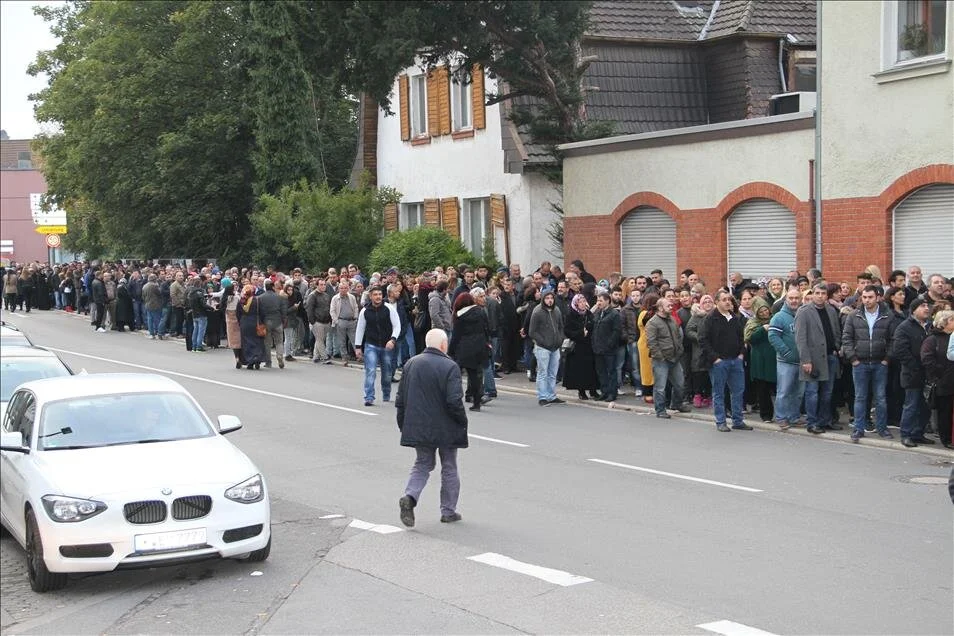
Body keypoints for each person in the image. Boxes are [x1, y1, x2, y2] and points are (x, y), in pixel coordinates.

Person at [396, 329, 468, 526]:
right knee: (449, 466)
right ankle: (448, 510)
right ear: (443, 345)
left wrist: (403, 424)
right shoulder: (450, 366)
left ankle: (410, 497)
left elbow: (401, 399)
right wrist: (462, 422)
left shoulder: (411, 363)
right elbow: (454, 401)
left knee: (422, 464)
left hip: (419, 425)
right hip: (445, 427)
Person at [842, 285, 895, 442]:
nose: (867, 300)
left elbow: (894, 339)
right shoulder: (853, 315)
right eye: (864, 297)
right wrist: (853, 359)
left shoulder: (887, 316)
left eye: (870, 297)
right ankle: (859, 429)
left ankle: (882, 428)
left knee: (880, 397)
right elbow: (847, 338)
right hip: (860, 363)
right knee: (860, 397)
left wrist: (887, 359)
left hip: (880, 363)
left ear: (877, 297)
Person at [795, 283, 843, 434]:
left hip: (830, 356)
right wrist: (806, 360)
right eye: (817, 293)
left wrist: (836, 348)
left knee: (828, 392)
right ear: (813, 294)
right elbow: (800, 338)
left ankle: (825, 420)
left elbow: (836, 331)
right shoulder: (804, 312)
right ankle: (812, 422)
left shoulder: (831, 310)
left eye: (823, 293)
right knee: (812, 392)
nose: (820, 296)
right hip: (813, 359)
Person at [700, 290, 751, 432]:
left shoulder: (735, 318)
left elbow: (742, 338)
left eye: (729, 299)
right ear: (717, 302)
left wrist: (741, 354)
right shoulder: (710, 319)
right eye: (724, 299)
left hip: (736, 360)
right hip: (719, 362)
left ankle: (738, 420)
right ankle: (721, 421)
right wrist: (715, 358)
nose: (728, 302)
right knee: (719, 392)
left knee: (738, 391)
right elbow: (702, 339)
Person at [893, 298, 934, 447]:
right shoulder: (904, 327)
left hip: (928, 374)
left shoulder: (929, 326)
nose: (926, 309)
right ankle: (906, 434)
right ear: (914, 309)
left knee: (925, 406)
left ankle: (918, 433)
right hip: (912, 374)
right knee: (911, 405)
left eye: (927, 306)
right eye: (922, 306)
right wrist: (915, 366)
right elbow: (900, 350)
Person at [354, 286, 400, 406]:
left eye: (380, 294)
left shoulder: (388, 308)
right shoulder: (365, 311)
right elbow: (360, 329)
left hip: (387, 345)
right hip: (371, 345)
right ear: (370, 296)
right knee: (370, 371)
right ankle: (369, 397)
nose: (378, 296)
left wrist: (393, 340)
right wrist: (358, 347)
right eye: (375, 294)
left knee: (387, 373)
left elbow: (397, 325)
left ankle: (386, 393)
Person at [646, 296, 692, 418]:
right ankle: (660, 410)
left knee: (680, 384)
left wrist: (679, 350)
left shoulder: (672, 319)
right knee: (660, 386)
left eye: (671, 305)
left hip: (675, 357)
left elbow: (678, 336)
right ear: (660, 308)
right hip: (661, 359)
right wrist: (660, 356)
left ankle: (677, 404)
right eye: (668, 305)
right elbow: (651, 342)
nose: (671, 307)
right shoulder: (652, 322)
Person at [448, 292, 491, 411]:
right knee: (475, 377)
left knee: (454, 375)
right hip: (480, 347)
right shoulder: (481, 312)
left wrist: (450, 351)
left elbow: (456, 336)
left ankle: (453, 399)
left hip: (464, 349)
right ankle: (477, 403)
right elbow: (486, 328)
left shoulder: (459, 316)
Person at [921, 310, 954, 449]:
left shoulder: (951, 337)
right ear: (944, 322)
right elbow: (927, 359)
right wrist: (939, 374)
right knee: (944, 411)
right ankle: (945, 438)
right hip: (942, 380)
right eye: (952, 320)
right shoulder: (932, 339)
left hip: (950, 379)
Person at [527, 287, 565, 406]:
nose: (549, 300)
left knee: (552, 373)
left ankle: (551, 395)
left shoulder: (557, 310)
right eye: (547, 298)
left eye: (551, 298)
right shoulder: (537, 311)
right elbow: (532, 331)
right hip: (543, 347)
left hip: (555, 346)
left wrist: (560, 339)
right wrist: (543, 341)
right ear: (543, 299)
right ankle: (542, 396)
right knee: (543, 372)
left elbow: (560, 327)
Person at [744, 296, 776, 423]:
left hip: (774, 359)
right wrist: (762, 329)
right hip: (759, 360)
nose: (764, 313)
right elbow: (749, 338)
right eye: (761, 311)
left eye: (766, 310)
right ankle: (766, 415)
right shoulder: (752, 323)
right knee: (763, 390)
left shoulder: (775, 319)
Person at [562, 293, 600, 400]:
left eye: (584, 301)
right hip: (577, 347)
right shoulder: (571, 315)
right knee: (580, 370)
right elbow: (567, 331)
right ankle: (581, 391)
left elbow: (593, 325)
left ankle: (593, 390)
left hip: (589, 345)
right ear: (576, 303)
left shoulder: (588, 314)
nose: (583, 304)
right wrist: (580, 333)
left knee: (592, 369)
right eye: (580, 302)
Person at [592, 291, 622, 403]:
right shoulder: (598, 312)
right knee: (601, 371)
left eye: (600, 300)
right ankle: (604, 392)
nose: (598, 303)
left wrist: (610, 343)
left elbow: (616, 331)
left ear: (607, 301)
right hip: (597, 347)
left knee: (611, 372)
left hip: (609, 349)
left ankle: (612, 393)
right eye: (597, 300)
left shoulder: (614, 314)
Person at [257, 279, 287, 368]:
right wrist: (283, 320)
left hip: (266, 322)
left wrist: (260, 322)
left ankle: (268, 362)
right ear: (273, 287)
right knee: (279, 342)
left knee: (267, 343)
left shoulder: (260, 298)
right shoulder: (280, 297)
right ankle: (280, 356)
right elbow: (284, 311)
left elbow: (259, 312)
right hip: (277, 321)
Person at [235, 284, 265, 369]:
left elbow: (237, 313)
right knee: (257, 342)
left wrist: (240, 322)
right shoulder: (257, 300)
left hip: (245, 323)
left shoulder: (241, 301)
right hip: (256, 322)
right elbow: (262, 313)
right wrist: (262, 322)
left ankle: (250, 361)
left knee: (247, 342)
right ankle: (257, 359)